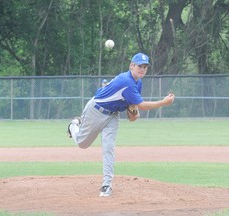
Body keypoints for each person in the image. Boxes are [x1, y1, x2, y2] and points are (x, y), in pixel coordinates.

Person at [67, 53, 175, 197]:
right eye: (139, 66)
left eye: (145, 67)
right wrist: (163, 102)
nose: (142, 69)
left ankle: (106, 185)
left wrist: (133, 111)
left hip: (113, 115)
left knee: (108, 148)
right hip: (96, 110)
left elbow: (133, 104)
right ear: (131, 66)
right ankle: (73, 125)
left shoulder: (138, 82)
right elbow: (141, 105)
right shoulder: (127, 81)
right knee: (82, 143)